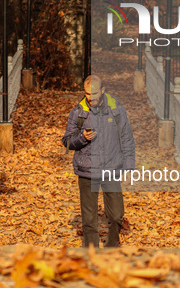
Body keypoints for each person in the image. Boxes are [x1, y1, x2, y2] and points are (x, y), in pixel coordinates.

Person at [62, 75, 135, 248]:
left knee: (117, 215)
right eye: (87, 93)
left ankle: (111, 247)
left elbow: (127, 139)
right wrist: (82, 138)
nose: (91, 97)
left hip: (111, 169)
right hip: (87, 171)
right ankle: (91, 253)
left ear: (103, 90)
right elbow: (67, 141)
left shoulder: (116, 109)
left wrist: (129, 168)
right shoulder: (78, 112)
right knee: (89, 219)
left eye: (94, 93)